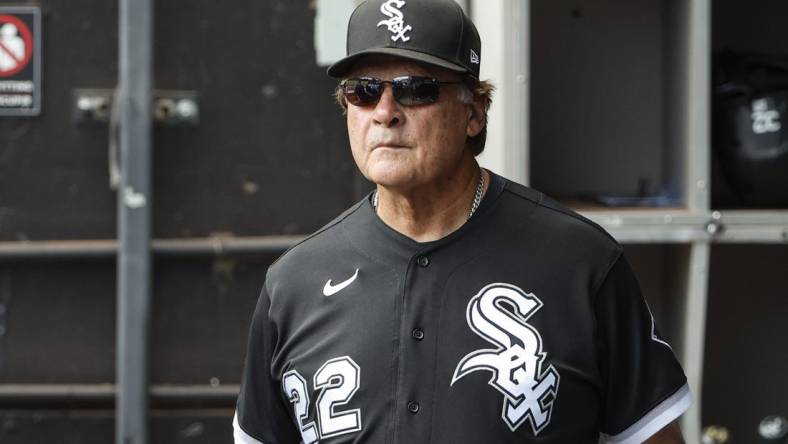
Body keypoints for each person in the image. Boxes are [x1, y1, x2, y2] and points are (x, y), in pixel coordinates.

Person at [234, 0, 691, 442]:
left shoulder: (581, 260)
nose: (385, 112)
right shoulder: (294, 282)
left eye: (416, 89)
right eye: (364, 90)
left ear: (473, 112)